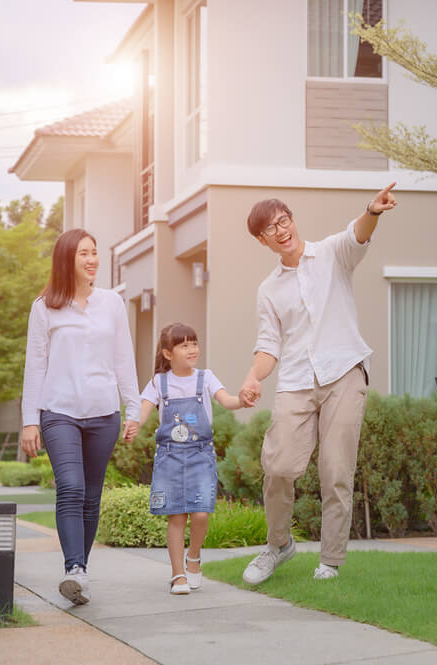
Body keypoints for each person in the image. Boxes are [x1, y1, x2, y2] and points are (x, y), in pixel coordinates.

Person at [238, 183, 398, 585]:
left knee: (335, 470)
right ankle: (279, 545)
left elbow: (357, 234)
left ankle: (330, 560)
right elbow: (268, 347)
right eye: (270, 229)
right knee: (277, 467)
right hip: (295, 380)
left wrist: (372, 211)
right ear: (261, 240)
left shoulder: (330, 253)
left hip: (343, 371)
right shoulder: (269, 290)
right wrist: (253, 377)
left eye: (283, 220)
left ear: (292, 220)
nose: (280, 230)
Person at [21, 228, 140, 606]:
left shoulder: (112, 304)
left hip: (104, 414)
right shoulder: (45, 307)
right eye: (83, 253)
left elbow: (124, 358)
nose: (92, 260)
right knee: (70, 487)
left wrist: (133, 408)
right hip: (60, 412)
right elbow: (35, 366)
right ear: (66, 259)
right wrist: (30, 420)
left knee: (91, 496)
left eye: (95, 252)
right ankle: (73, 567)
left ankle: (80, 575)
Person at [137, 323, 244, 594]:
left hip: (200, 455)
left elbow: (227, 400)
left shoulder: (205, 378)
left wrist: (242, 400)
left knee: (200, 513)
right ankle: (178, 575)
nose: (192, 349)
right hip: (169, 456)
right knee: (176, 517)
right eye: (184, 345)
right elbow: (143, 411)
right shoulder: (158, 382)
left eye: (194, 343)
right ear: (168, 353)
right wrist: (132, 425)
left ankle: (193, 557)